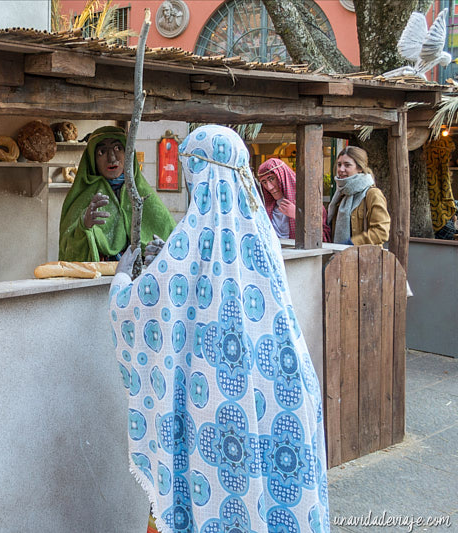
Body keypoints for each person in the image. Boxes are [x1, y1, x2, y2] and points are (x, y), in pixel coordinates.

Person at [109, 125, 329, 533]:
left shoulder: (192, 238)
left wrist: (123, 280)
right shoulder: (262, 235)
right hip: (283, 393)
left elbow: (140, 306)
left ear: (197, 173)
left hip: (215, 410)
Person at [59, 126, 176, 262]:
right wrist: (83, 227)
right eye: (102, 152)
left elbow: (172, 243)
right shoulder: (81, 198)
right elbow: (67, 250)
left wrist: (158, 252)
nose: (112, 158)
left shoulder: (142, 193)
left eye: (117, 149)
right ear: (92, 160)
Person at [327, 146, 390, 246]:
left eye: (347, 165)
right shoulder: (340, 194)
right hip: (340, 256)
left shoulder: (372, 194)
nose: (341, 169)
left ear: (360, 168)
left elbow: (381, 232)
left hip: (365, 257)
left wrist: (351, 243)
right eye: (339, 165)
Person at [257, 158, 331, 242]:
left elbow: (324, 237)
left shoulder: (309, 202)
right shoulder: (265, 208)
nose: (269, 187)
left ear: (283, 176)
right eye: (264, 182)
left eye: (271, 179)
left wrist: (298, 216)